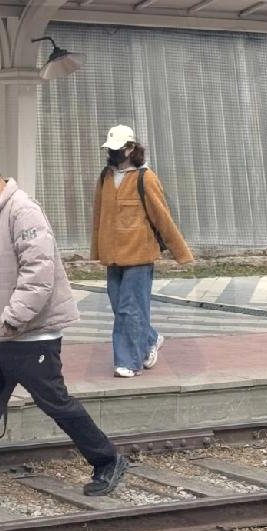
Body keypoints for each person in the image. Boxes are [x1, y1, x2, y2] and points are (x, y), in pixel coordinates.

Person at [0, 149, 126, 499]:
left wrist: (13, 317)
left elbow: (38, 274)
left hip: (29, 333)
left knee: (54, 401)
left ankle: (107, 460)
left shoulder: (23, 211)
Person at [91, 125, 193, 379]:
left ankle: (128, 362)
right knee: (120, 307)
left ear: (130, 148)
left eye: (117, 149)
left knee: (130, 309)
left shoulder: (145, 178)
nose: (112, 153)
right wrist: (97, 250)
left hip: (139, 256)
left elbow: (162, 217)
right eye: (110, 149)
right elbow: (99, 217)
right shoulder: (105, 177)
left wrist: (181, 253)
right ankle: (150, 338)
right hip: (113, 257)